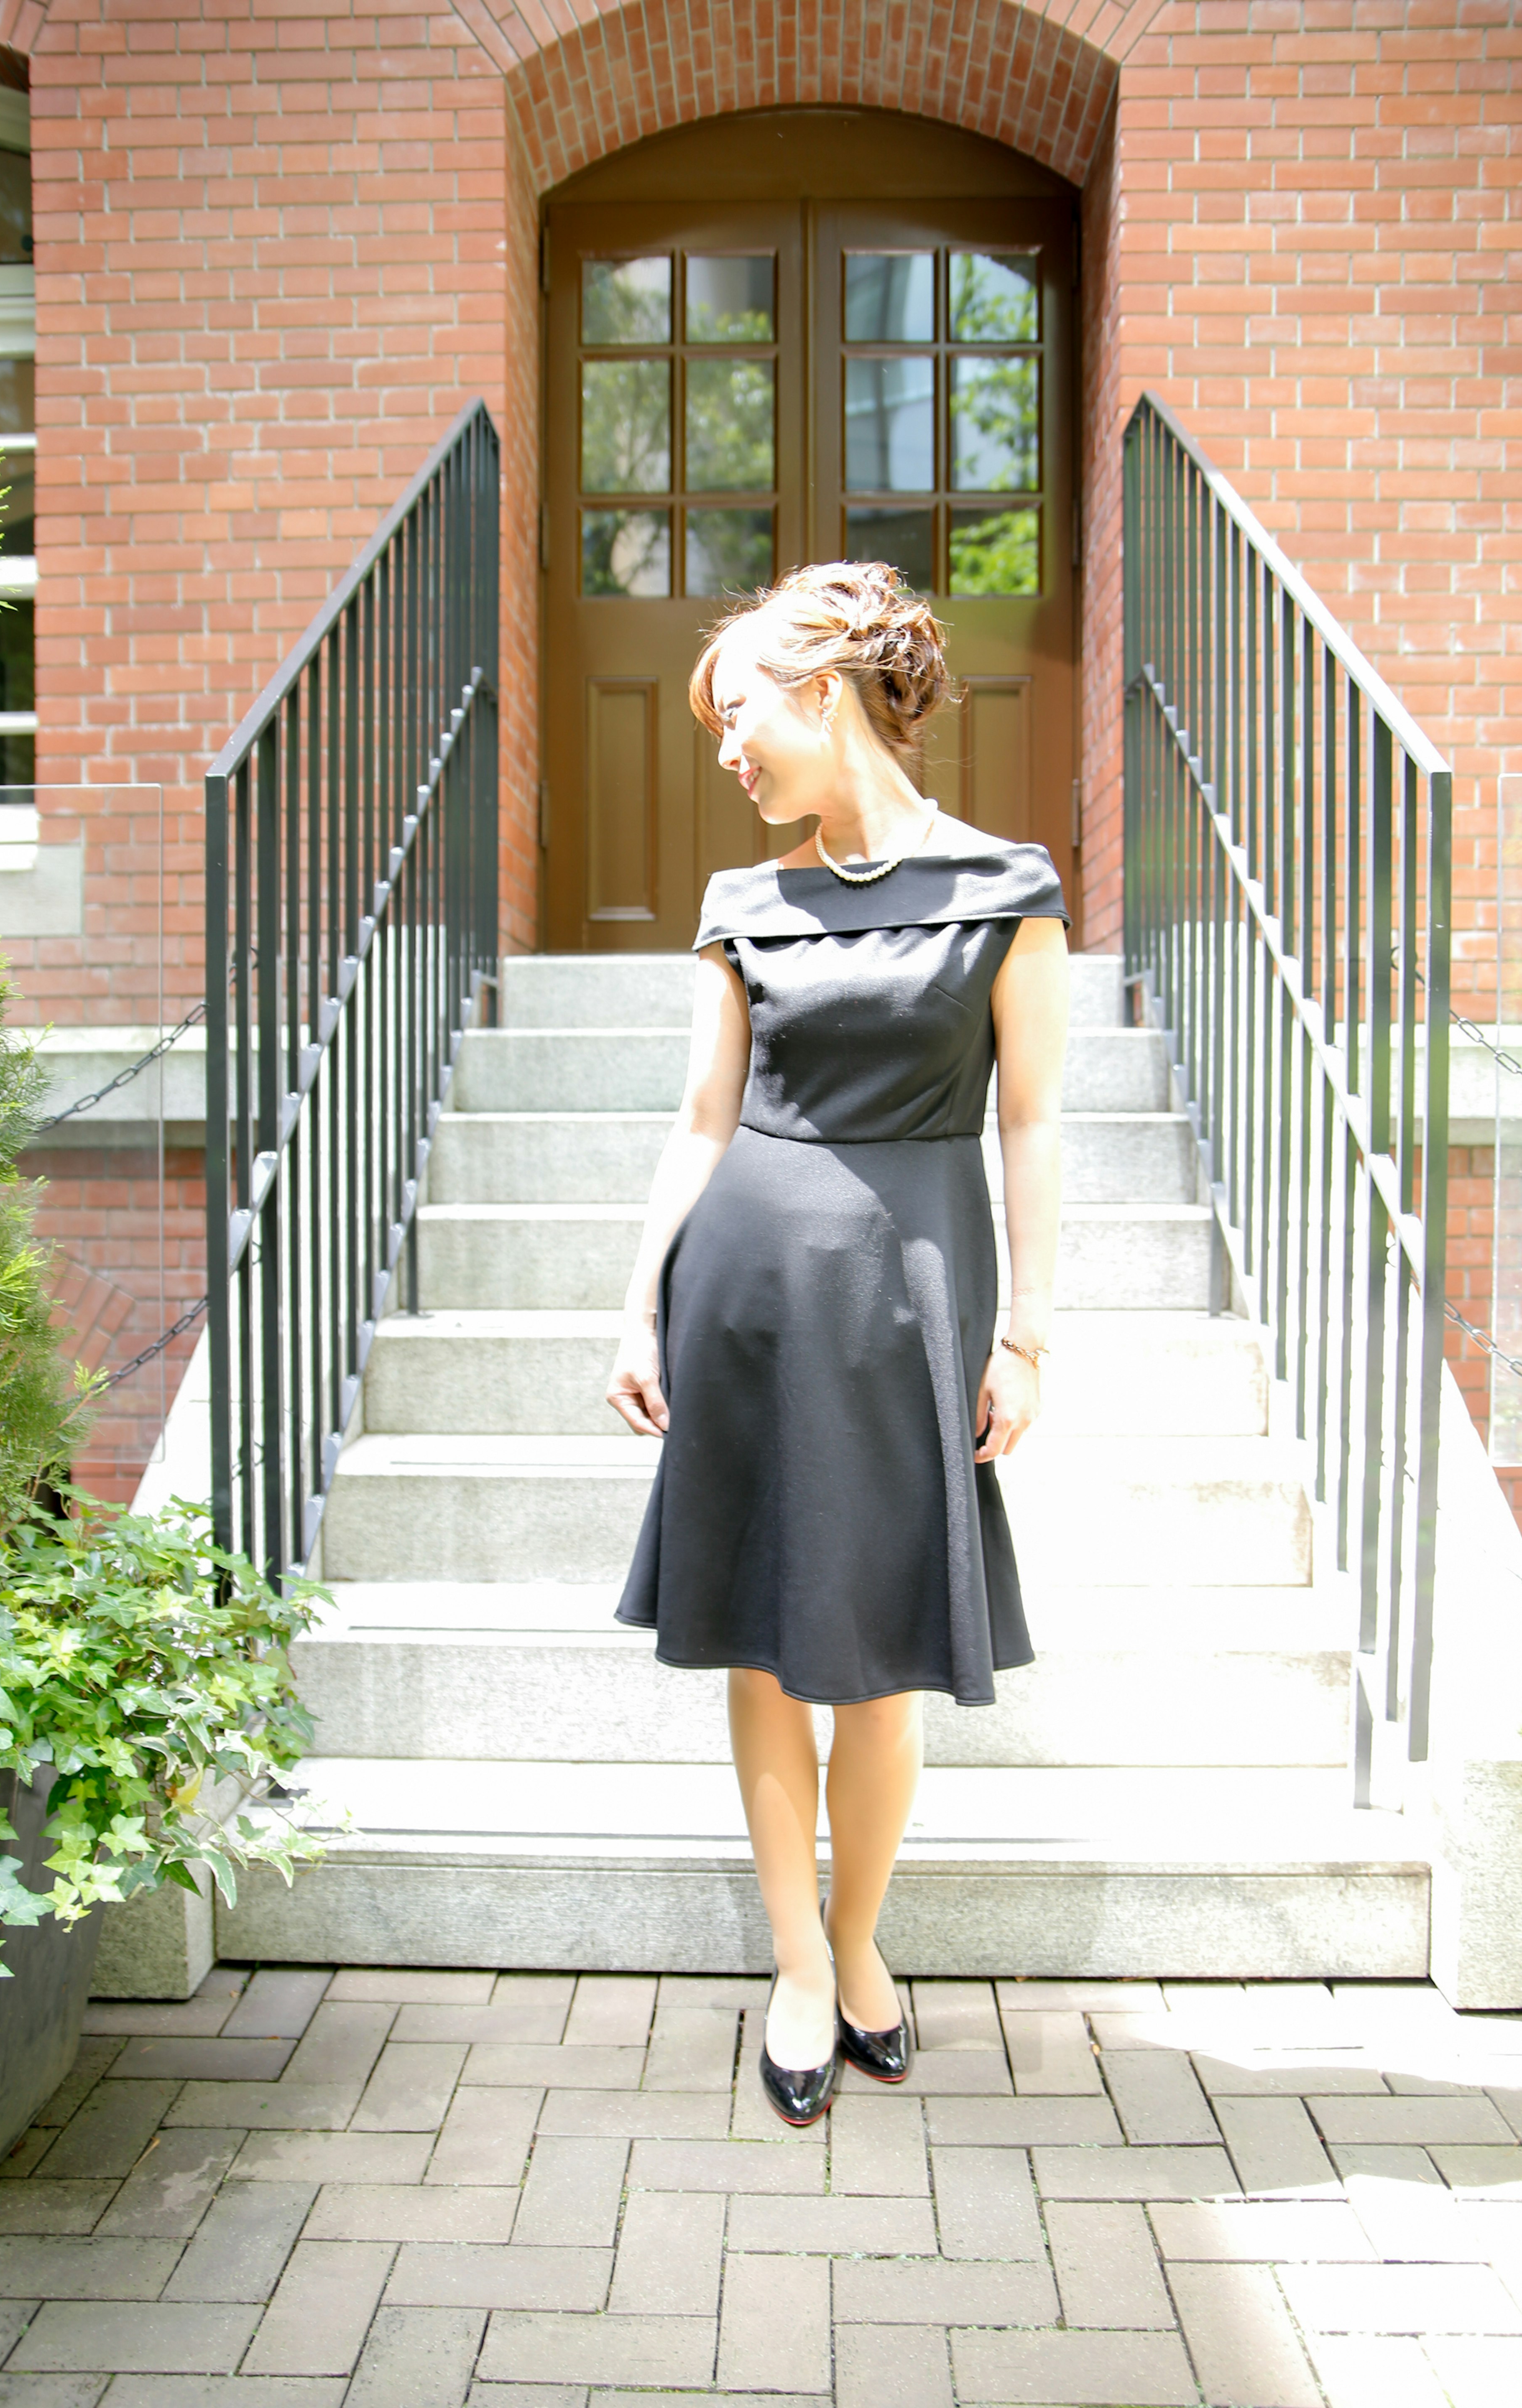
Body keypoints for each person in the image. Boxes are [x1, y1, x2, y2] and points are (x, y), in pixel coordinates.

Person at [606, 561, 1070, 2125]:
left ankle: (861, 1943)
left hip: (909, 1301)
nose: (726, 751)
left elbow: (1032, 1121)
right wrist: (635, 1299)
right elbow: (698, 1123)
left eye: (738, 715)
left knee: (872, 1659)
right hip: (743, 1294)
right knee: (761, 1638)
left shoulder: (1008, 889)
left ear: (823, 689)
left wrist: (1030, 1336)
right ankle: (797, 1963)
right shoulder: (745, 905)